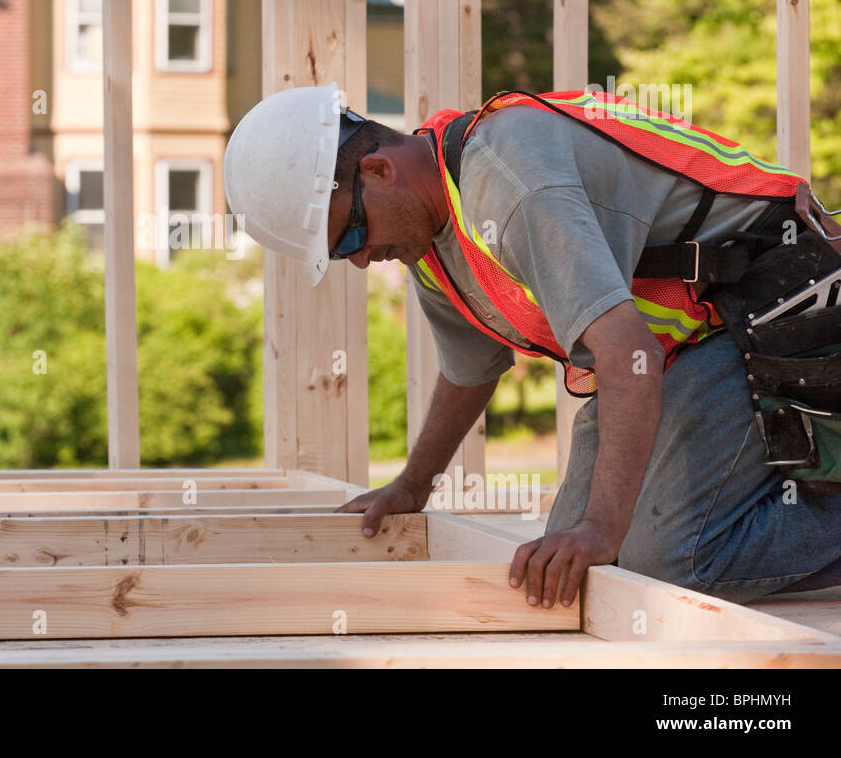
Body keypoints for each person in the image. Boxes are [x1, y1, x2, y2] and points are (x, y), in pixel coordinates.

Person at [222, 83, 841, 609]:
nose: (359, 259)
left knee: (663, 560)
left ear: (379, 170)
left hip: (775, 305)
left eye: (351, 232)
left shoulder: (507, 178)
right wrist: (413, 486)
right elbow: (469, 372)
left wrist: (603, 527)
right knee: (568, 571)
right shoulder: (429, 232)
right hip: (686, 345)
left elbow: (629, 353)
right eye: (339, 253)